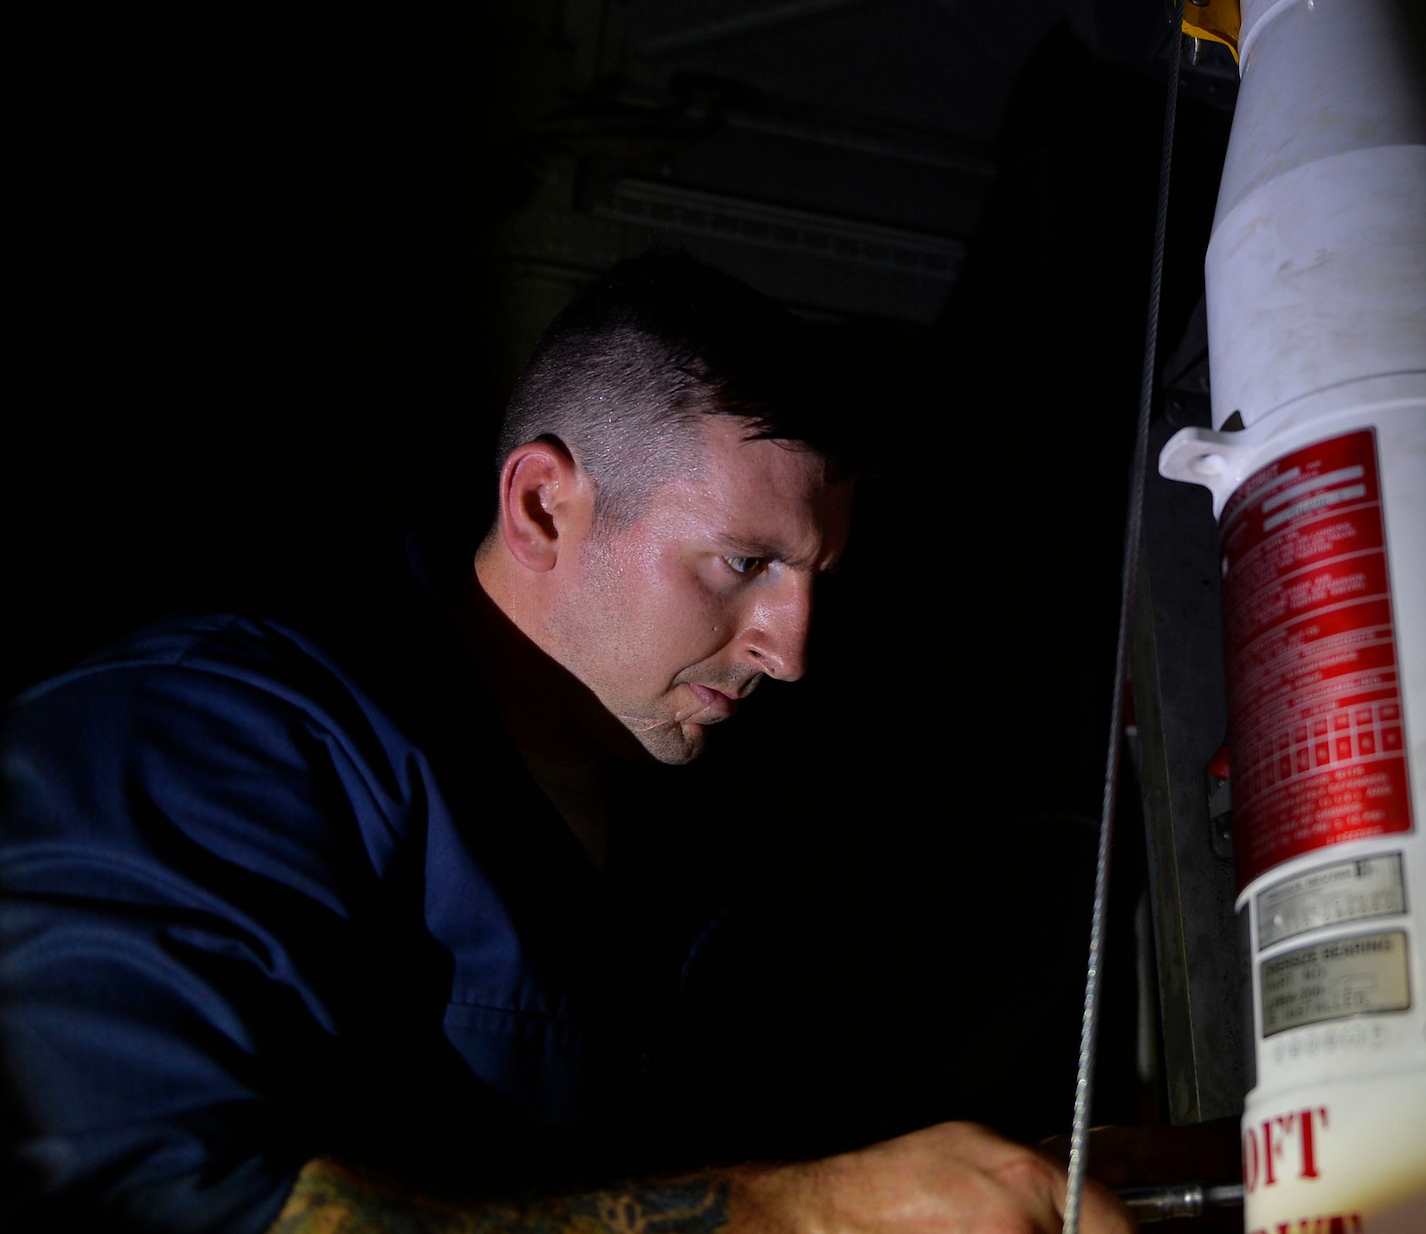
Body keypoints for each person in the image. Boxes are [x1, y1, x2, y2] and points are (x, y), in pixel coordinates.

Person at [1, 253, 1133, 1234]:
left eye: (812, 581)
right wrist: (802, 1212)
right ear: (543, 507)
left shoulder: (679, 821)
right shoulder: (217, 731)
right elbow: (144, 1195)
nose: (789, 651)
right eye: (744, 563)